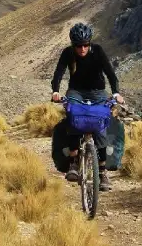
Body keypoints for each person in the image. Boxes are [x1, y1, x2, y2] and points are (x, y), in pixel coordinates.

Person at [51, 22, 124, 191]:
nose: (82, 49)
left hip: (98, 91)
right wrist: (55, 91)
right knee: (73, 117)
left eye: (85, 45)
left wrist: (115, 93)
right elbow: (59, 73)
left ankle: (102, 172)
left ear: (89, 43)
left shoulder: (97, 51)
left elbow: (110, 73)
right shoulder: (68, 53)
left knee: (101, 126)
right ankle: (74, 163)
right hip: (76, 91)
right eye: (78, 46)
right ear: (73, 45)